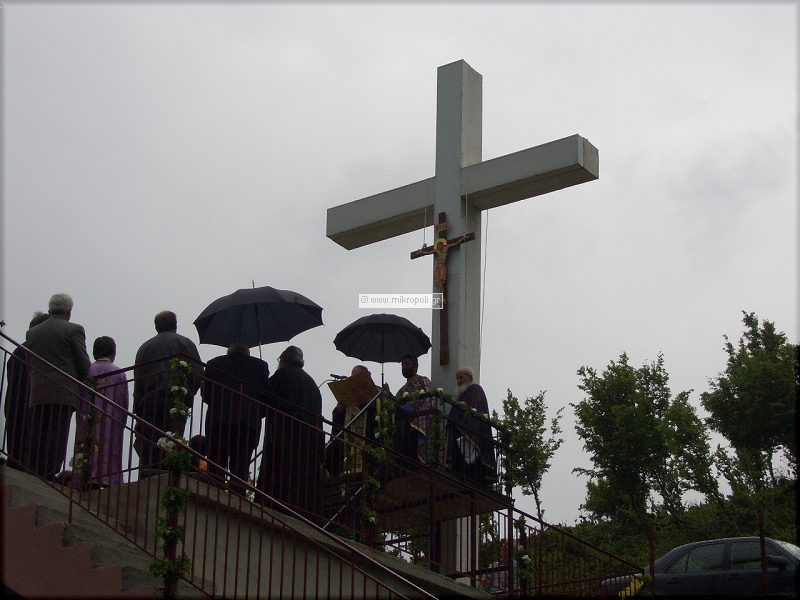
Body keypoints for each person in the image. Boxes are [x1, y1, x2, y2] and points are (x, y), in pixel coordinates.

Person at [25, 293, 92, 480]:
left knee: (37, 433)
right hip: (63, 392)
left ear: (49, 309)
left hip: (37, 391)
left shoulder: (32, 332)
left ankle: (33, 471)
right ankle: (48, 473)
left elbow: (30, 362)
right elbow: (84, 364)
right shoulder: (74, 330)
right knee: (57, 435)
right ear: (69, 311)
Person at [133, 310, 203, 476]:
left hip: (150, 400)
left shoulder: (145, 347)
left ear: (156, 326)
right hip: (177, 399)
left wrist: (138, 407)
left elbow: (139, 378)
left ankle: (150, 471)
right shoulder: (186, 344)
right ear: (175, 325)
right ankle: (170, 470)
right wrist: (188, 392)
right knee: (174, 437)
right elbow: (198, 373)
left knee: (151, 439)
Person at [256, 346, 323, 518]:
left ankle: (275, 506)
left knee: (281, 476)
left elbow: (265, 403)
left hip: (285, 435)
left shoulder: (282, 375)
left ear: (283, 359)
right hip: (310, 440)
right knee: (302, 480)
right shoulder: (312, 384)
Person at [202, 343, 269, 495]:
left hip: (218, 421)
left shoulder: (214, 363)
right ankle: (237, 496)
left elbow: (206, 394)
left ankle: (213, 492)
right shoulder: (260, 366)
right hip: (247, 424)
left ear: (229, 351)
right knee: (241, 464)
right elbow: (266, 396)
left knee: (216, 461)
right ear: (247, 352)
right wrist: (257, 413)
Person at [73, 336, 129, 488]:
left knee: (84, 446)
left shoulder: (86, 371)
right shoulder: (119, 373)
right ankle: (108, 480)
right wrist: (122, 422)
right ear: (113, 353)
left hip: (85, 418)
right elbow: (124, 403)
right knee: (109, 449)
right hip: (111, 420)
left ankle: (82, 479)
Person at [4, 311, 49, 471]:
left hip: (15, 406)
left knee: (16, 453)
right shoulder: (35, 353)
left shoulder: (17, 352)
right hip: (29, 406)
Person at [327, 365, 381, 478]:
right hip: (348, 449)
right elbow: (338, 426)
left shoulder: (377, 393)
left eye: (356, 377)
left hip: (368, 442)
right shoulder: (349, 398)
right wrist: (338, 411)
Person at [447, 367, 497, 487]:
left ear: (469, 378)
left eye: (461, 377)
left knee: (472, 467)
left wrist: (466, 424)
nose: (459, 380)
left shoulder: (476, 390)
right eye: (457, 378)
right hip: (459, 437)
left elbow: (477, 409)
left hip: (473, 436)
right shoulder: (460, 397)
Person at [385, 354, 434, 463]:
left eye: (407, 364)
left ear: (415, 367)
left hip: (417, 424)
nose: (404, 367)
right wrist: (388, 394)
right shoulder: (402, 390)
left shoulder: (423, 380)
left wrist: (416, 418)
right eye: (402, 365)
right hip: (404, 427)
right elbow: (396, 404)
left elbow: (429, 400)